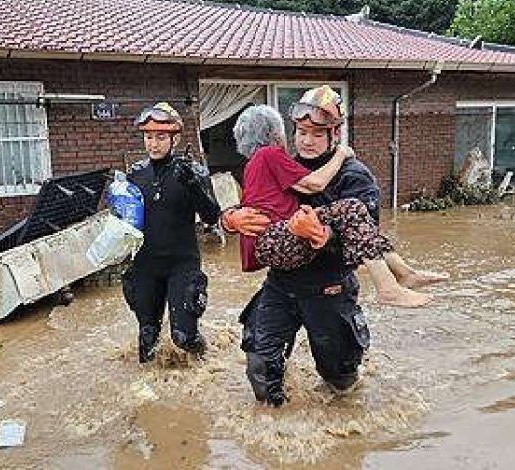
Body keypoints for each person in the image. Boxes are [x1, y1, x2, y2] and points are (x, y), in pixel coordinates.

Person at [221, 86, 444, 406]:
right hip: (281, 284)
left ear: (334, 135)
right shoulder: (283, 162)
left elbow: (364, 236)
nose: (306, 140)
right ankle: (274, 425)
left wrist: (325, 238)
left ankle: (341, 429)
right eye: (300, 132)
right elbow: (252, 204)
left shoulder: (355, 176)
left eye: (316, 134)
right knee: (260, 362)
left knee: (340, 379)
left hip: (329, 287)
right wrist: (230, 219)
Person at [121, 102, 221, 363]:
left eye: (161, 138)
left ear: (175, 139)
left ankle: (206, 364)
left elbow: (212, 216)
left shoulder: (193, 172)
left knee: (183, 337)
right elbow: (125, 222)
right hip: (145, 265)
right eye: (148, 137)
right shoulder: (135, 175)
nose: (153, 144)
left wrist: (194, 186)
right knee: (147, 340)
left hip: (182, 263)